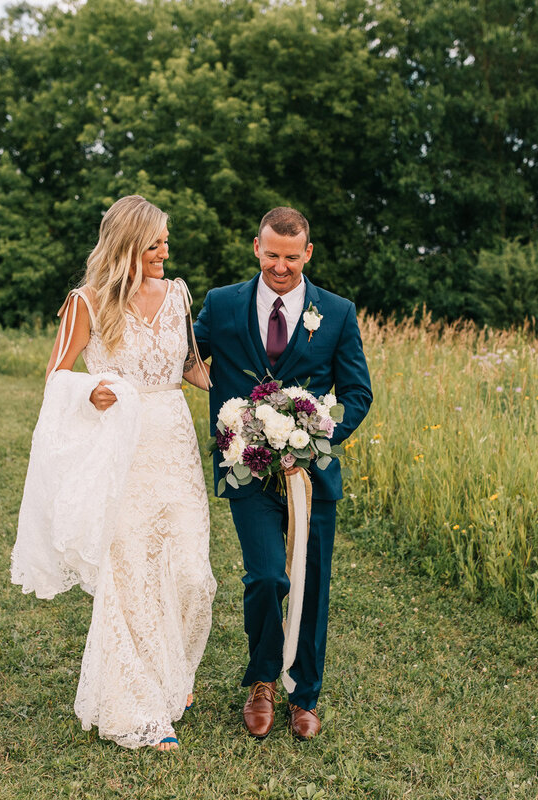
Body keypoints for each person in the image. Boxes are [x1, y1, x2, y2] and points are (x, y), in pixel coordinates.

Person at [11, 195, 216, 752]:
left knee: (191, 572)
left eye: (165, 241)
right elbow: (57, 376)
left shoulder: (178, 294)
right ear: (126, 245)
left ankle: (178, 674)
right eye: (154, 244)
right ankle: (138, 708)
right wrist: (91, 391)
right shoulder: (86, 301)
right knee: (130, 575)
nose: (164, 252)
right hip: (121, 446)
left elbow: (191, 366)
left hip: (174, 444)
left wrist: (252, 401)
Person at [193, 207, 372, 740]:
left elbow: (358, 393)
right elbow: (179, 357)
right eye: (272, 255)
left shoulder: (336, 312)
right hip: (247, 472)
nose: (281, 266)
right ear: (256, 247)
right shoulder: (222, 304)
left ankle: (306, 696)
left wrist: (320, 435)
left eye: (291, 258)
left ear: (308, 254)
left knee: (311, 584)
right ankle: (262, 681)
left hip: (310, 475)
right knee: (268, 577)